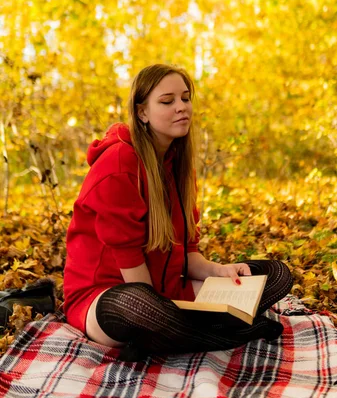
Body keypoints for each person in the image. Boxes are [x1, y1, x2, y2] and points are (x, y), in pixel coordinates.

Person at [63, 63, 293, 361]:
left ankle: (178, 333)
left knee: (275, 275)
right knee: (139, 305)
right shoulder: (118, 163)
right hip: (110, 298)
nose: (181, 107)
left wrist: (218, 271)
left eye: (185, 98)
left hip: (170, 291)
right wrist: (161, 312)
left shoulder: (177, 165)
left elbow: (188, 254)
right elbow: (132, 271)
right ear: (142, 112)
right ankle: (228, 333)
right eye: (167, 101)